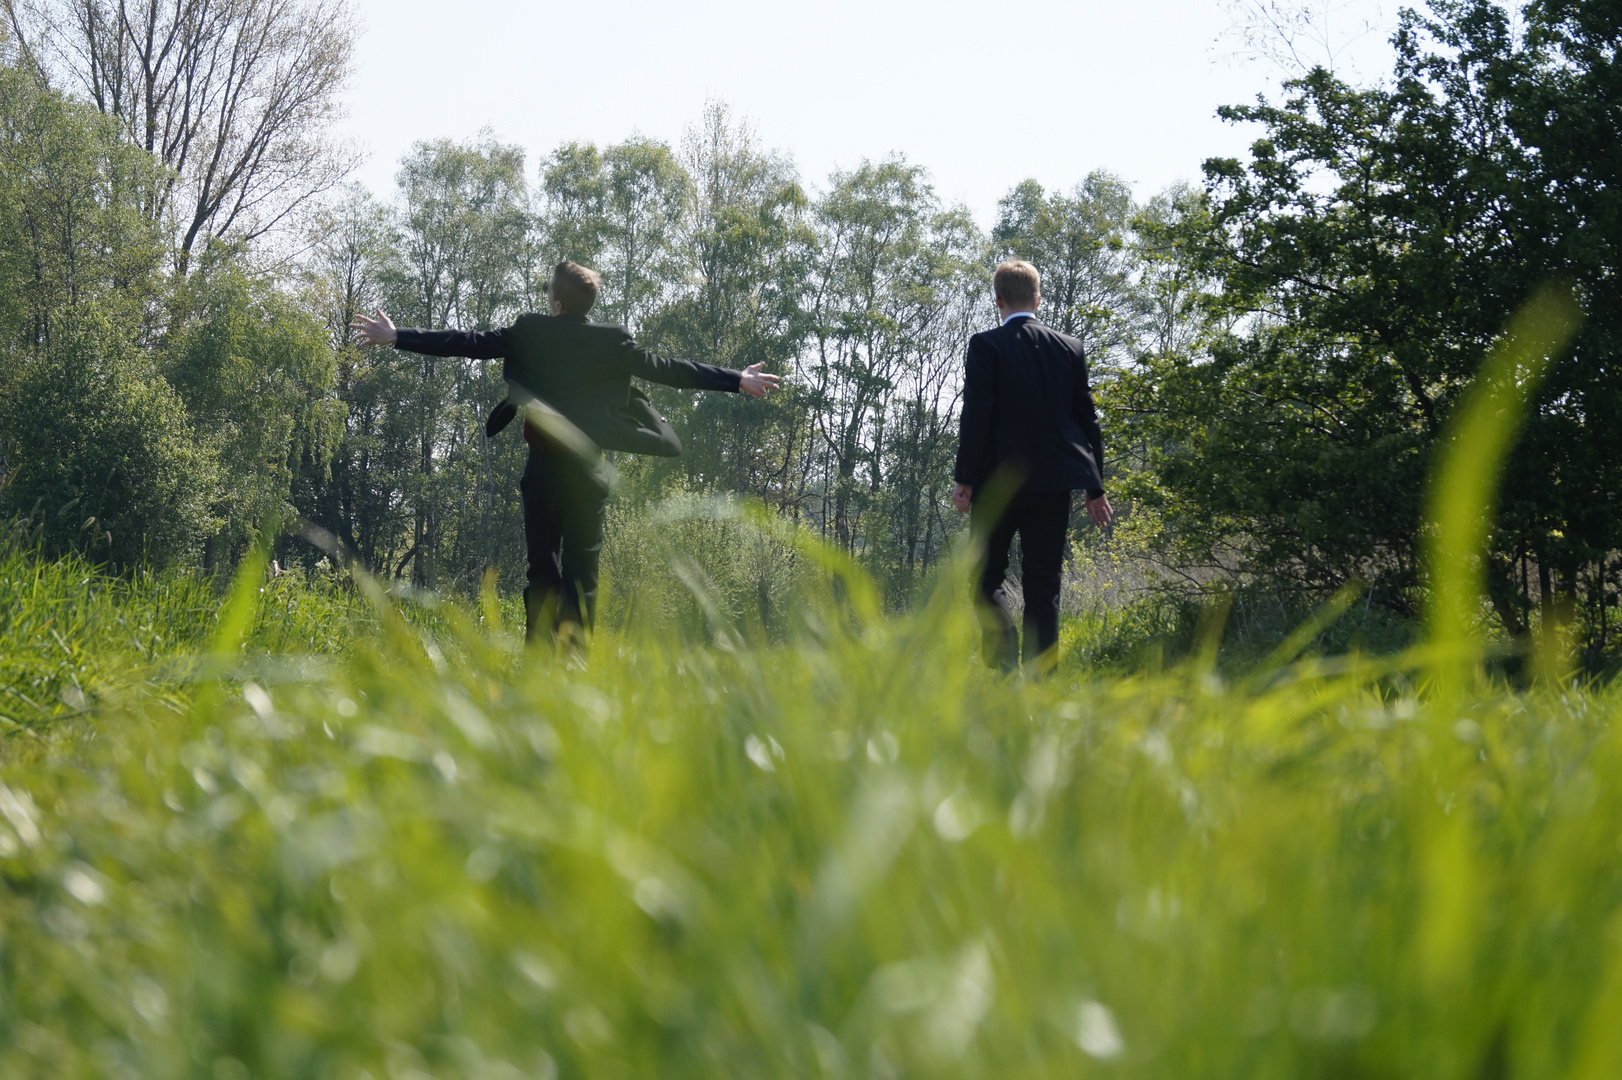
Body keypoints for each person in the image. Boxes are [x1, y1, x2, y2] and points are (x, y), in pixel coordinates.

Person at [351, 260, 779, 642]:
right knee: (582, 576)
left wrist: (398, 336)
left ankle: (539, 656)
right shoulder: (611, 342)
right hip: (589, 472)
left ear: (556, 303)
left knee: (541, 567)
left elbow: (468, 342)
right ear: (587, 305)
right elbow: (668, 370)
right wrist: (735, 379)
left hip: (543, 468)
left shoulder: (531, 332)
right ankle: (573, 660)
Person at [950, 259, 1112, 671]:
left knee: (984, 578)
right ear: (1038, 299)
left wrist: (964, 479)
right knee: (1044, 585)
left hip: (996, 484)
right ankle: (1040, 680)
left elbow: (977, 414)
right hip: (1054, 484)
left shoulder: (986, 345)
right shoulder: (1069, 348)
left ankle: (1003, 664)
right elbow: (1086, 418)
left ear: (998, 300)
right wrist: (1096, 488)